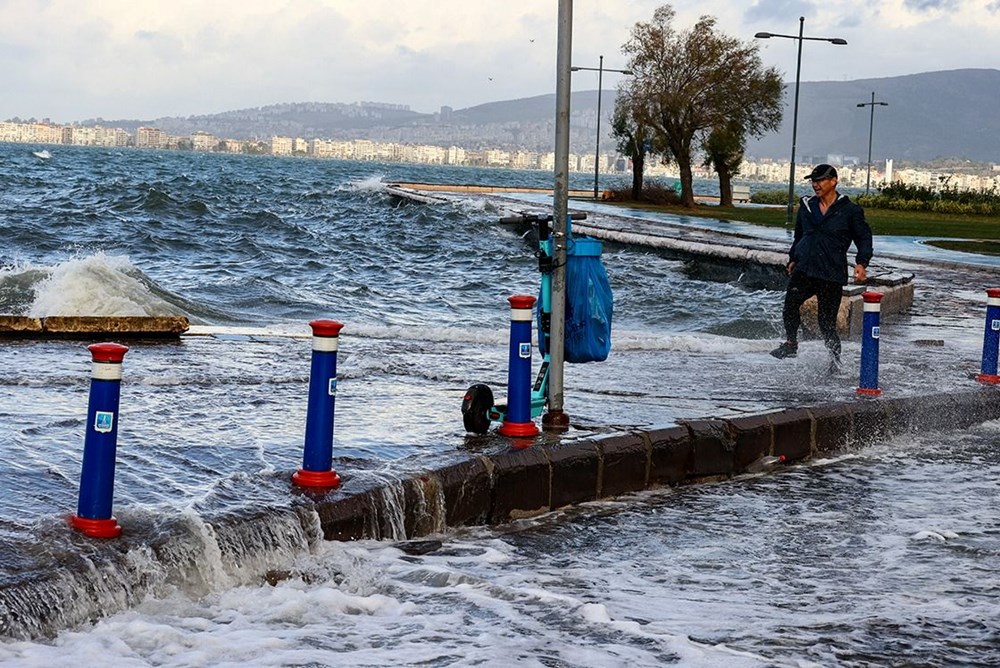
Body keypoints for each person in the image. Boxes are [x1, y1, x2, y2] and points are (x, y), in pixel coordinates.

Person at [770, 164, 873, 371]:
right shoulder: (807, 207)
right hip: (805, 269)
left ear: (834, 180)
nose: (816, 185)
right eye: (813, 181)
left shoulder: (850, 211)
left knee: (826, 323)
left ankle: (835, 361)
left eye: (820, 180)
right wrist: (793, 257)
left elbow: (864, 238)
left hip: (831, 273)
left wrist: (862, 263)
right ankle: (791, 344)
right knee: (790, 304)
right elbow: (800, 235)